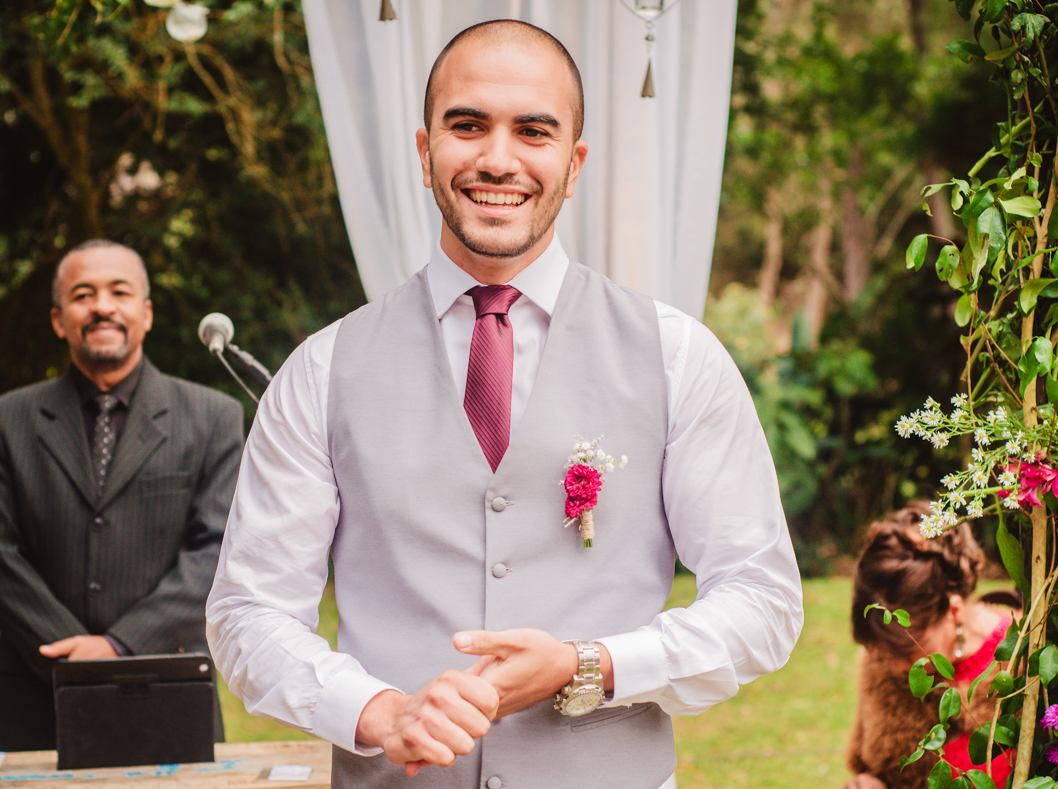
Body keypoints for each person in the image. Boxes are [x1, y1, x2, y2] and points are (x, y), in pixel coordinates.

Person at [206, 19, 804, 789]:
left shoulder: (677, 355)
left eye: (534, 130)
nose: (498, 158)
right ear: (425, 154)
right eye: (467, 125)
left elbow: (761, 599)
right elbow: (248, 613)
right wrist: (379, 712)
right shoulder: (321, 370)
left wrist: (591, 664)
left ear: (573, 163)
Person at [0, 239, 245, 750]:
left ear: (146, 313)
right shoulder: (9, 420)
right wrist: (68, 654)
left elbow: (216, 550)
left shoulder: (214, 417)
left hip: (166, 690)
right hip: (32, 699)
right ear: (57, 318)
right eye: (83, 295)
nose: (103, 306)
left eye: (119, 291)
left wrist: (118, 645)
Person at [845, 502, 1019, 789]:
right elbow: (876, 767)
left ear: (954, 611)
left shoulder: (1022, 659)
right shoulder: (881, 662)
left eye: (910, 648)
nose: (896, 666)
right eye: (882, 650)